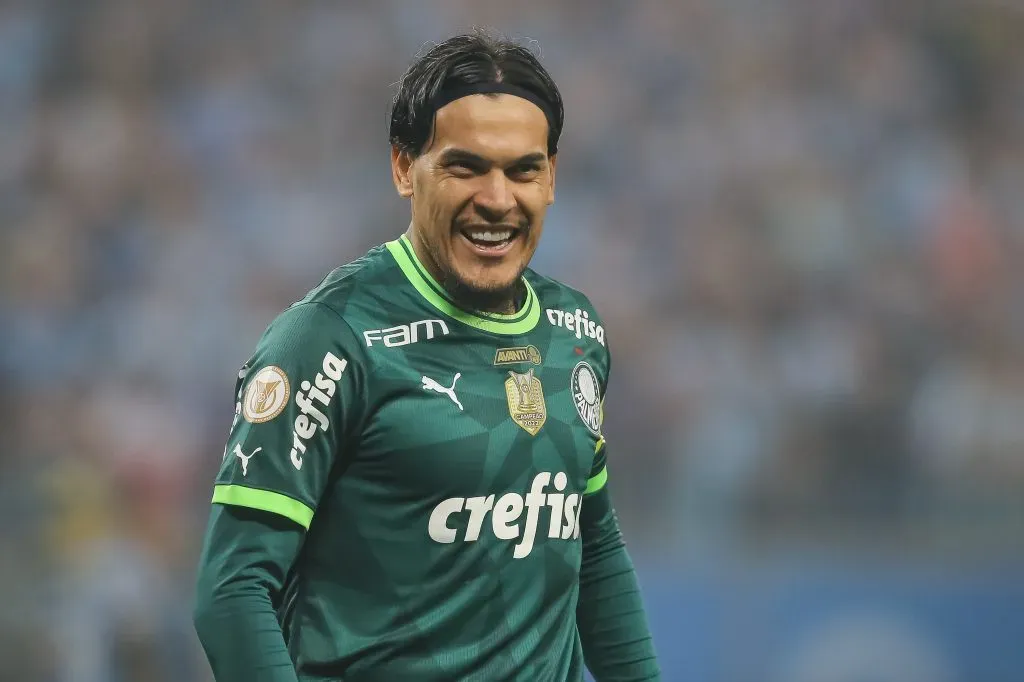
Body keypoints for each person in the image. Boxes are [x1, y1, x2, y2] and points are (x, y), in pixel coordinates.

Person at [192, 31, 661, 682]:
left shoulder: (573, 330)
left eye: (522, 169)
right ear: (404, 168)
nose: (497, 200)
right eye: (466, 167)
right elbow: (233, 590)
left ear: (551, 177)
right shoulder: (329, 340)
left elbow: (596, 547)